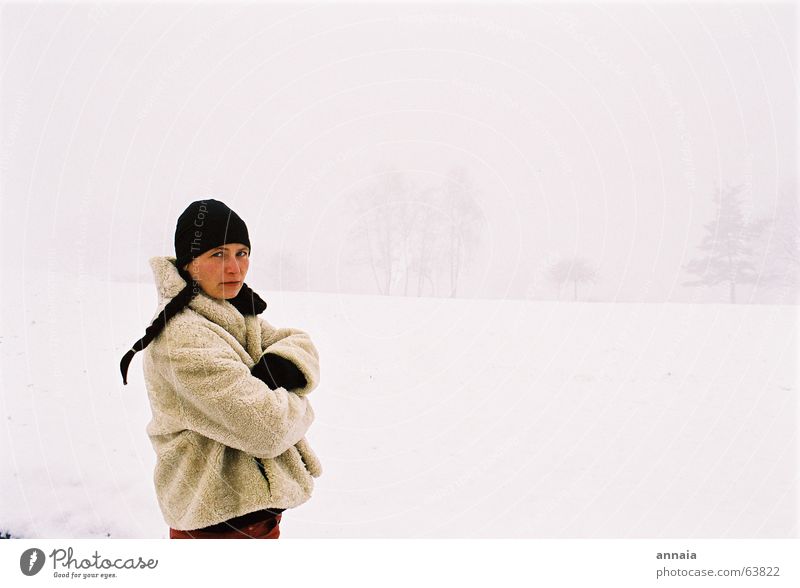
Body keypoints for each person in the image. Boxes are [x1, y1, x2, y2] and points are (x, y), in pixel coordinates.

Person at [119, 199, 322, 539]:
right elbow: (269, 430)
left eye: (242, 253)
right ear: (189, 262)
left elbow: (298, 341)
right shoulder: (182, 338)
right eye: (218, 254)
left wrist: (278, 369)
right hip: (217, 527)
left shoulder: (229, 314)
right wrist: (300, 401)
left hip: (253, 520)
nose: (235, 268)